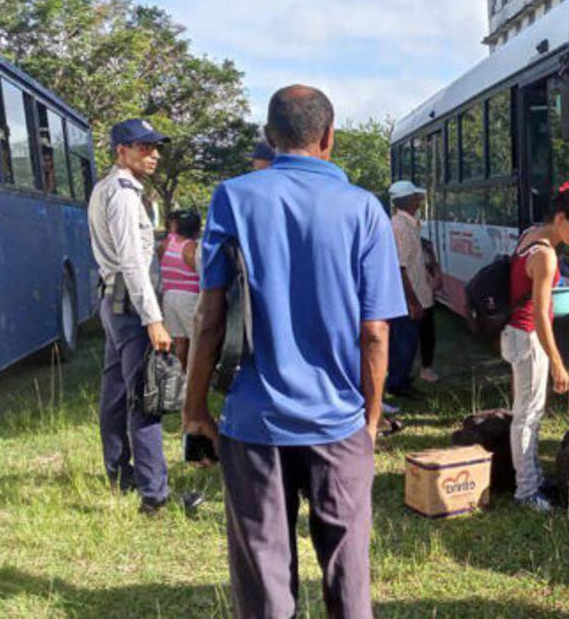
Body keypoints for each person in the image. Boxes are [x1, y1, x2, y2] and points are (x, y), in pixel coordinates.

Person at [182, 85, 404, 618]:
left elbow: (209, 319)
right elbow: (375, 332)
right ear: (330, 137)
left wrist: (193, 411)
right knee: (349, 577)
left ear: (268, 137)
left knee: (264, 577)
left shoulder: (232, 197)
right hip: (339, 422)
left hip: (254, 422)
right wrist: (370, 420)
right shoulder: (364, 209)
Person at [87, 118, 173, 514]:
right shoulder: (122, 194)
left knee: (116, 395)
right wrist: (153, 318)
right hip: (130, 304)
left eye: (155, 147)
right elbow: (133, 262)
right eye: (143, 147)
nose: (153, 154)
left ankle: (119, 474)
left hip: (114, 302)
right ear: (121, 150)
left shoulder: (107, 188)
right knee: (146, 397)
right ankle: (154, 494)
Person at [503, 182, 569, 512]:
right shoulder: (545, 256)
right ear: (561, 218)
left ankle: (533, 478)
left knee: (527, 411)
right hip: (529, 337)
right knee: (527, 416)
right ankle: (526, 490)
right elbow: (542, 315)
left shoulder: (532, 235)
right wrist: (557, 362)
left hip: (517, 333)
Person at [387, 180, 435, 396]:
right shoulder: (401, 227)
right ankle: (397, 383)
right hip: (409, 297)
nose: (419, 199)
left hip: (414, 293)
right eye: (416, 196)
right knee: (405, 341)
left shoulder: (407, 223)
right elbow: (400, 267)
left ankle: (402, 379)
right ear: (407, 200)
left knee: (408, 340)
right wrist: (413, 301)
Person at [160, 209, 202, 370]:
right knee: (196, 339)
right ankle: (195, 374)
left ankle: (179, 374)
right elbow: (201, 271)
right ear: (196, 231)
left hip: (169, 295)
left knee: (179, 340)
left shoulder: (167, 244)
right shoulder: (192, 248)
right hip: (189, 297)